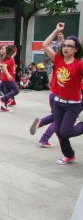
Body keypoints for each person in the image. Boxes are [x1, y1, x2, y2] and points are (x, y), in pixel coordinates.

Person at [42, 22, 83, 165]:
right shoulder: (58, 59)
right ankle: (69, 155)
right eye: (64, 45)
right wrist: (56, 30)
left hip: (73, 105)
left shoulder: (79, 64)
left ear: (76, 49)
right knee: (59, 132)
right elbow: (45, 45)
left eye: (69, 46)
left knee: (65, 131)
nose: (65, 48)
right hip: (58, 102)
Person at [0, 45, 19, 112]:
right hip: (8, 78)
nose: (15, 53)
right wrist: (8, 74)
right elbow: (4, 66)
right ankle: (3, 99)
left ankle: (3, 107)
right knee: (16, 90)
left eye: (2, 49)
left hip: (6, 78)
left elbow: (4, 65)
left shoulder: (9, 58)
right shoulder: (10, 58)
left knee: (7, 92)